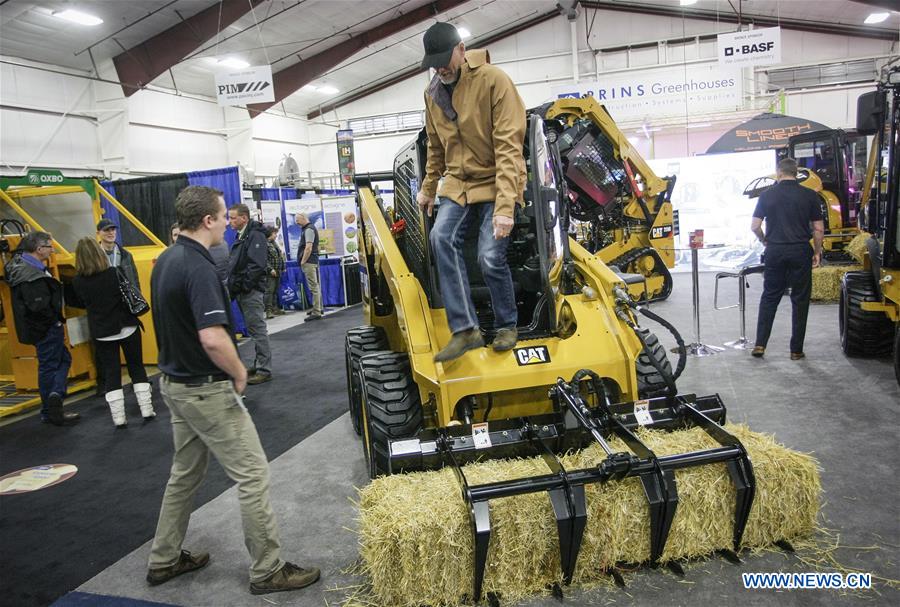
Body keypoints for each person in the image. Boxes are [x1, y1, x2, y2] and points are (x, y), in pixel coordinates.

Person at [147, 185, 320, 595]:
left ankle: (164, 559)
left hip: (174, 384)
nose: (228, 222)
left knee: (184, 475)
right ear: (207, 221)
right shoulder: (199, 266)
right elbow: (211, 336)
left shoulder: (166, 259)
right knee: (253, 474)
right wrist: (239, 370)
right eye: (224, 216)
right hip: (205, 389)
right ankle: (268, 569)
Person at [416, 22, 525, 363]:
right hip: (458, 184)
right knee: (440, 238)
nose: (440, 68)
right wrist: (428, 188)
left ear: (461, 49)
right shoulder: (433, 92)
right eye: (433, 63)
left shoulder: (494, 80)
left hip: (496, 181)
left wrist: (506, 207)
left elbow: (509, 147)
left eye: (444, 59)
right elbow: (435, 147)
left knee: (489, 256)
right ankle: (466, 330)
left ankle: (507, 324)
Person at [72, 237, 155, 428]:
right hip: (127, 326)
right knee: (137, 367)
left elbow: (82, 303)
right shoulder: (113, 273)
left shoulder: (77, 282)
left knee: (111, 373)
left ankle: (119, 418)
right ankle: (147, 409)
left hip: (102, 331)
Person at [751, 157, 824, 360]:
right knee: (800, 300)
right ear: (796, 173)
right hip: (800, 250)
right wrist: (817, 252)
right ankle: (796, 350)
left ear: (779, 172)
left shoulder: (766, 196)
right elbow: (818, 229)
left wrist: (765, 241)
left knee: (770, 297)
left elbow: (755, 226)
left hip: (775, 250)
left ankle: (760, 344)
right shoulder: (810, 195)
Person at [4, 232, 80, 426]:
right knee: (50, 365)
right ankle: (52, 404)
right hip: (45, 328)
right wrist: (54, 322)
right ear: (38, 249)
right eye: (49, 246)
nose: (52, 249)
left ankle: (53, 400)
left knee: (61, 359)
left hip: (38, 328)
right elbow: (38, 306)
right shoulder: (31, 276)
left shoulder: (21, 267)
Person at [227, 204, 272, 384]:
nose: (230, 221)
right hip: (244, 290)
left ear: (244, 218)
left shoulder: (254, 235)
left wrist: (245, 286)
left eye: (233, 218)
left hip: (250, 291)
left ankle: (264, 369)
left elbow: (257, 265)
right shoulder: (245, 234)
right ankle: (259, 363)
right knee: (254, 330)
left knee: (258, 329)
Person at [97, 218, 141, 294]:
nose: (111, 233)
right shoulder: (93, 256)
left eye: (113, 229)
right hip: (104, 300)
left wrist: (138, 297)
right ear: (98, 233)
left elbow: (135, 281)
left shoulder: (126, 255)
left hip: (124, 300)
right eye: (106, 230)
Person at [294, 213, 323, 321]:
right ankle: (318, 308)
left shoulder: (309, 229)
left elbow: (308, 247)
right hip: (312, 261)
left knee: (313, 287)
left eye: (297, 220)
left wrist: (303, 261)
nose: (296, 222)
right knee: (315, 286)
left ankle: (317, 312)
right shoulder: (308, 229)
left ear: (304, 218)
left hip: (309, 262)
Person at [264, 226, 286, 319]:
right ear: (270, 234)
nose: (276, 235)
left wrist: (283, 267)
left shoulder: (274, 243)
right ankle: (268, 311)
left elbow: (279, 256)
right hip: (270, 273)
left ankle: (275, 308)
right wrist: (270, 269)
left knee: (275, 291)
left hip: (277, 271)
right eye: (274, 233)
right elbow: (264, 260)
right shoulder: (264, 244)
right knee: (269, 291)